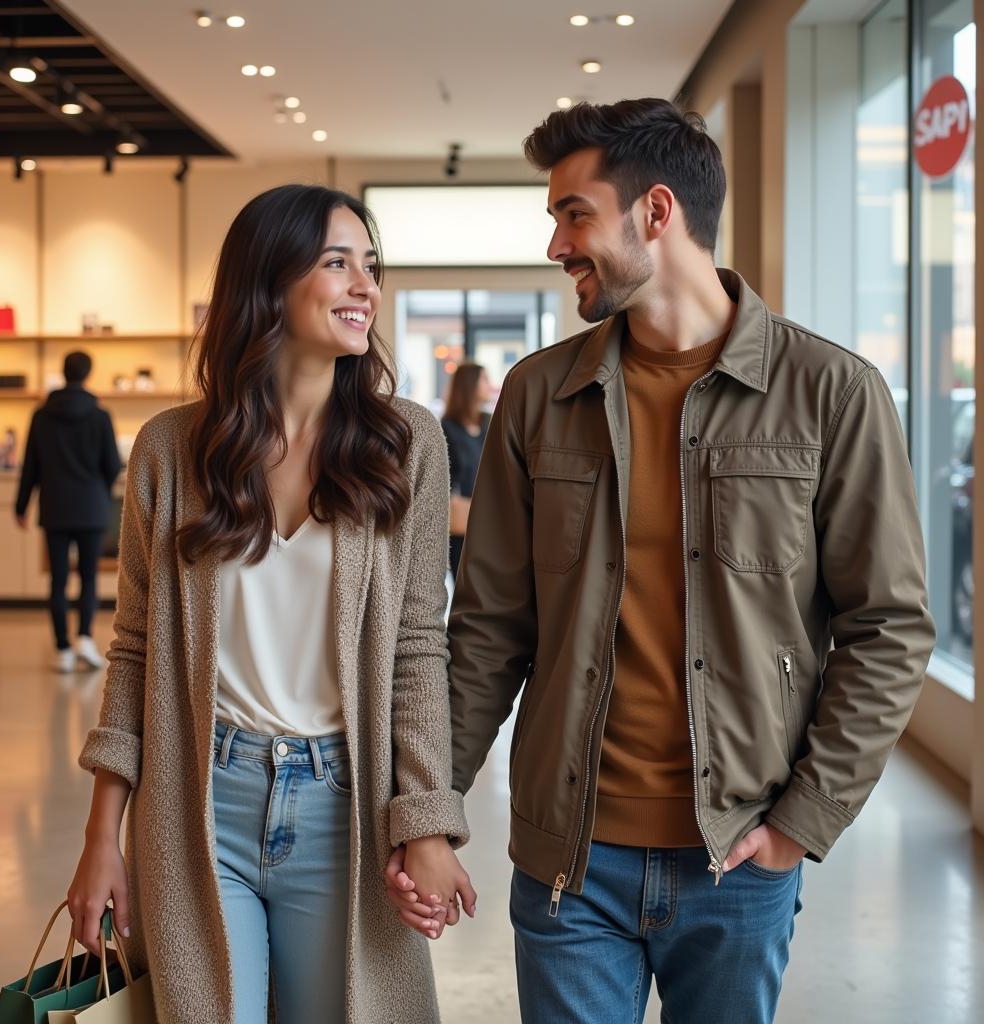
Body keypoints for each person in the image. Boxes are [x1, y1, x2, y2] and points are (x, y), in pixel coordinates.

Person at [386, 98, 935, 1023]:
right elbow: (486, 633)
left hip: (738, 854)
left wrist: (803, 821)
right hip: (570, 863)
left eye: (573, 213)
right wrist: (428, 811)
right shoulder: (538, 395)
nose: (557, 244)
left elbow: (890, 626)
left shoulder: (830, 393)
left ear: (656, 211)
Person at [66, 185, 475, 1024]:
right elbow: (135, 649)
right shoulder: (173, 452)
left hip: (343, 808)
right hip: (197, 800)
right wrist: (99, 838)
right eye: (337, 264)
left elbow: (415, 648)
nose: (365, 286)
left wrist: (426, 818)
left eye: (372, 266)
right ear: (267, 282)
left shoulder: (407, 445)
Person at [15, 350, 121, 673]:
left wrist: (21, 507)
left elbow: (30, 466)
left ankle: (62, 648)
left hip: (55, 508)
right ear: (87, 373)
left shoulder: (41, 415)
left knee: (58, 579)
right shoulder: (100, 415)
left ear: (63, 373)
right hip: (91, 508)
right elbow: (113, 466)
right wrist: (97, 488)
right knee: (89, 576)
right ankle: (85, 638)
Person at [440, 362, 491, 579]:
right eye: (485, 379)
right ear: (471, 384)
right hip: (462, 520)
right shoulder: (447, 426)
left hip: (490, 515)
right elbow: (444, 475)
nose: (489, 385)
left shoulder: (489, 421)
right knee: (465, 583)